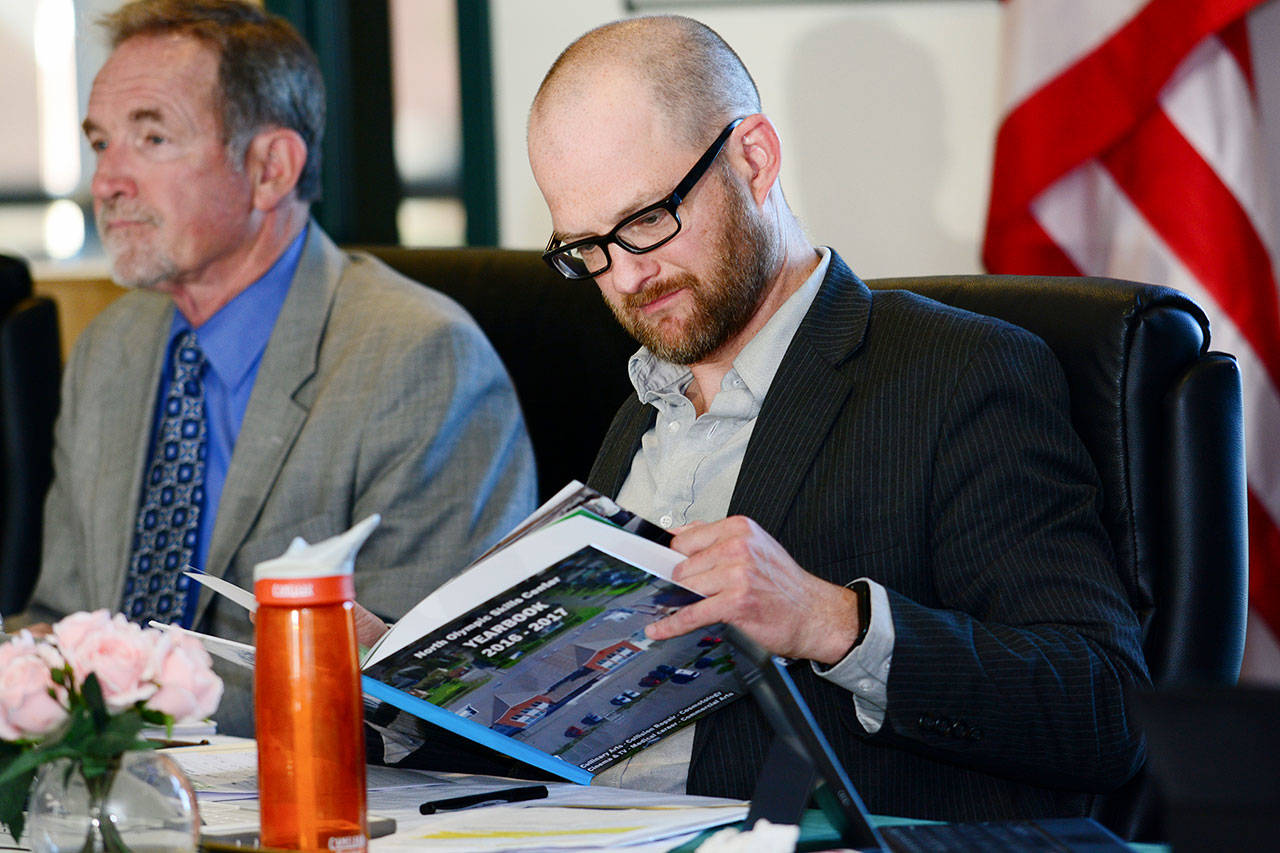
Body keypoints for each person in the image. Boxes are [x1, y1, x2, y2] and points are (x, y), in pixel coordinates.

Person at [526, 16, 1149, 822]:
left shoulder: (955, 374)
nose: (629, 276)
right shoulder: (639, 410)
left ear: (753, 159)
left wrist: (833, 622)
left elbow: (1104, 709)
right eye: (587, 248)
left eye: (647, 219)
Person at [31, 0, 536, 736]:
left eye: (151, 137)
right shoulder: (110, 350)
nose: (107, 180)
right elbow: (61, 619)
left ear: (271, 168)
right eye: (103, 143)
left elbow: (434, 698)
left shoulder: (419, 357)